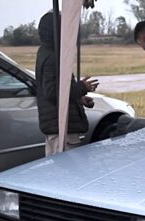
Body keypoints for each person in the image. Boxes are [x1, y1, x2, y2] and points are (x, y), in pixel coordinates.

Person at [36, 11, 99, 156]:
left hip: (58, 125)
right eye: (63, 27)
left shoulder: (48, 52)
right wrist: (82, 87)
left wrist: (79, 98)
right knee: (69, 173)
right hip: (61, 128)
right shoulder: (52, 57)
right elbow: (52, 92)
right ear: (56, 31)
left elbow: (59, 89)